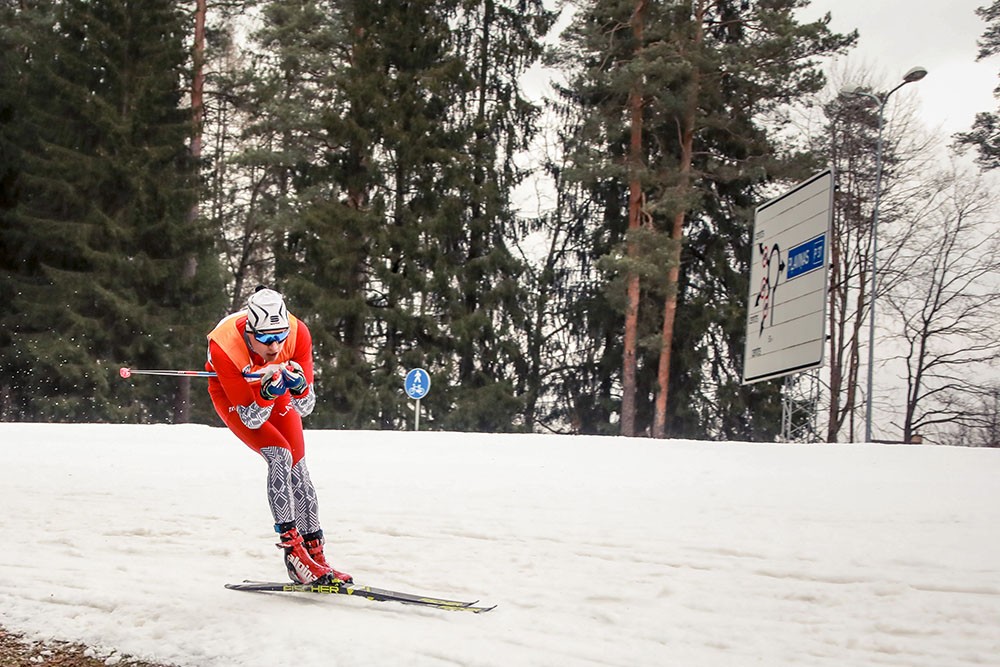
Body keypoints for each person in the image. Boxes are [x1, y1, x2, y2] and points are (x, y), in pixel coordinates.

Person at [206, 286, 351, 585]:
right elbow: (251, 418)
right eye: (265, 339)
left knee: (299, 466)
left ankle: (316, 554)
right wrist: (266, 395)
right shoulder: (224, 345)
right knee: (280, 456)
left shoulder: (298, 333)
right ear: (250, 332)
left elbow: (306, 406)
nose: (274, 347)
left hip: (274, 385)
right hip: (237, 395)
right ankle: (294, 554)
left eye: (279, 337)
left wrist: (298, 388)